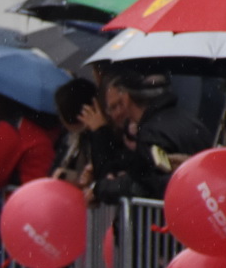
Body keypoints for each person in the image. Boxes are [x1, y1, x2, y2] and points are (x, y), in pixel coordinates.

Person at [89, 73, 211, 203]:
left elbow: (145, 185)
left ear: (126, 99)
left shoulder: (151, 133)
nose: (117, 113)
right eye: (112, 108)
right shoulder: (190, 120)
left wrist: (102, 188)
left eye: (117, 104)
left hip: (180, 213)